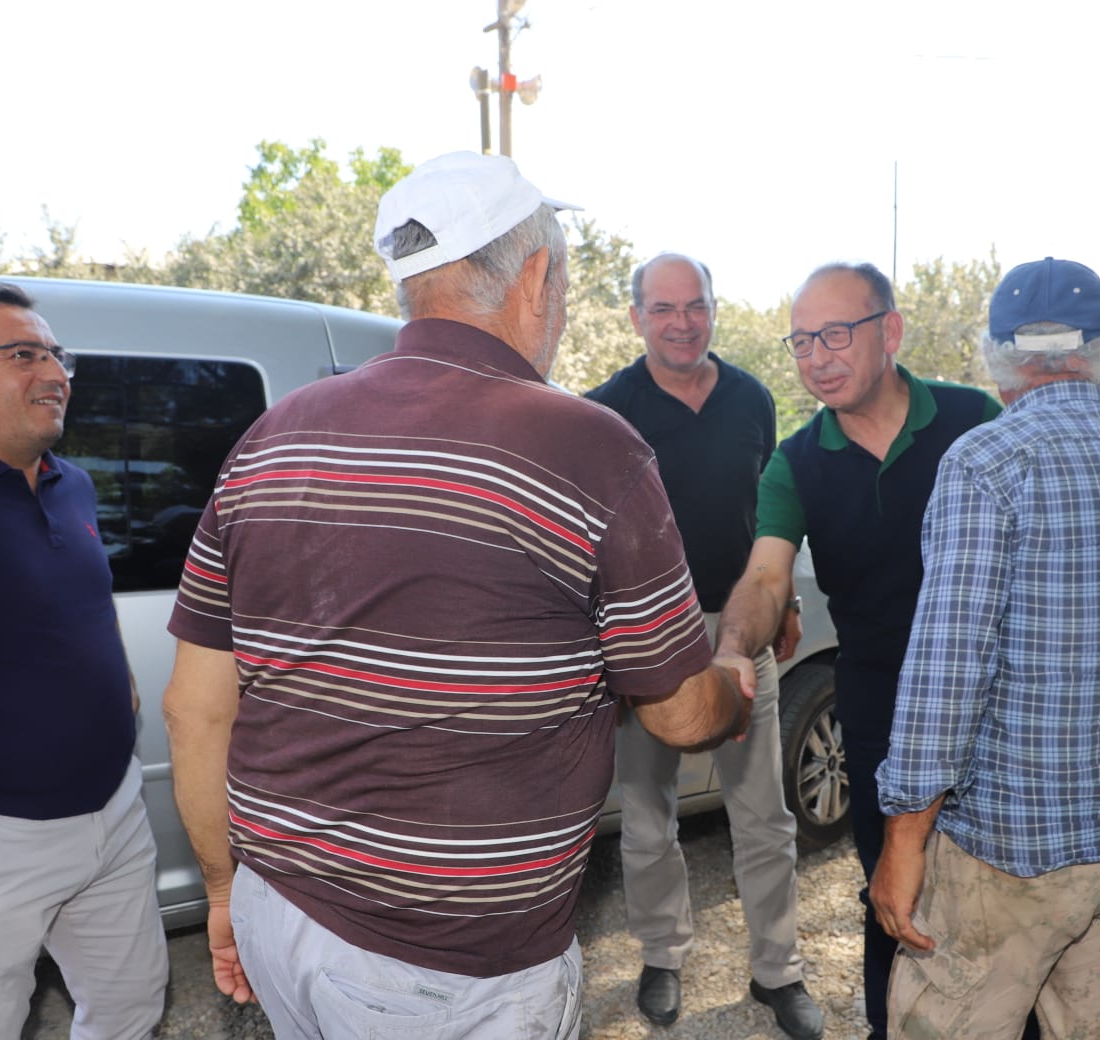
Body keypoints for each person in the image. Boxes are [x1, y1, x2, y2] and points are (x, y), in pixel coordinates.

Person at [161, 152, 750, 1040]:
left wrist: (220, 889)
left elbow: (194, 708)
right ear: (538, 276)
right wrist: (732, 692)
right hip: (446, 966)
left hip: (275, 909)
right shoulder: (587, 445)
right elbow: (675, 715)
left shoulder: (271, 436)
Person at [870, 257, 1100, 1039]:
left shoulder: (986, 463)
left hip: (1012, 852)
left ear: (999, 355)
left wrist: (904, 838)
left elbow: (947, 669)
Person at [714, 261, 1001, 1040]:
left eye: (836, 334)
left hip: (998, 696)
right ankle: (890, 1027)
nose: (817, 357)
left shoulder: (977, 417)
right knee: (891, 887)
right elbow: (766, 575)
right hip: (880, 702)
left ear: (891, 331)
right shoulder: (797, 460)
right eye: (802, 341)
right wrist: (735, 646)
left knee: (1004, 888)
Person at [585, 254, 822, 1039]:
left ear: (714, 309)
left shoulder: (753, 398)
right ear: (636, 318)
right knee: (649, 817)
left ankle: (778, 972)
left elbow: (771, 518)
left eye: (695, 306)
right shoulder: (607, 413)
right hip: (647, 650)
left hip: (738, 635)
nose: (682, 322)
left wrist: (781, 597)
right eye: (663, 308)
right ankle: (661, 954)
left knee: (764, 817)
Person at [0, 281, 168, 1039]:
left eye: (58, 355)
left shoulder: (76, 487)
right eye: (24, 354)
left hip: (114, 814)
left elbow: (85, 609)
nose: (56, 372)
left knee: (130, 1010)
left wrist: (119, 685)